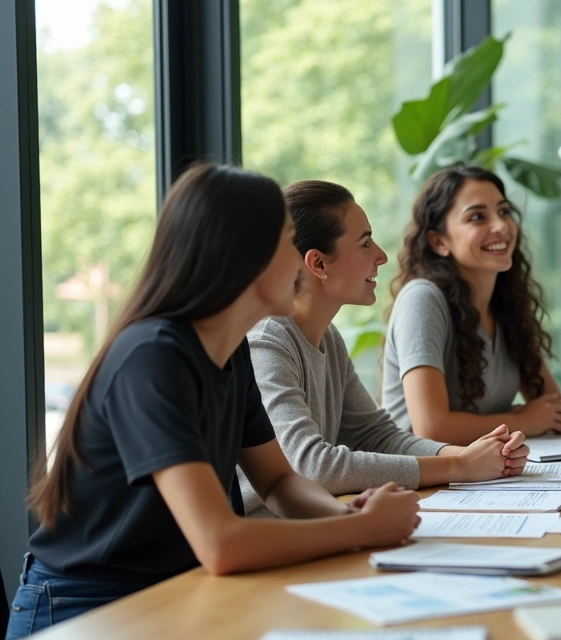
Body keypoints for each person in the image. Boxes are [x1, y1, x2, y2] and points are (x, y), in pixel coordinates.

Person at [7, 165, 422, 639]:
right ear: (242, 256)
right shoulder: (153, 357)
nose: (300, 263)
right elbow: (219, 542)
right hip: (89, 607)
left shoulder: (230, 350)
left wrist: (346, 516)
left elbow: (280, 480)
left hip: (175, 590)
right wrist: (362, 531)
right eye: (287, 244)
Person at [238, 180, 528, 517]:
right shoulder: (266, 343)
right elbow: (313, 466)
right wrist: (458, 466)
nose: (381, 255)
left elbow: (375, 435)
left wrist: (475, 455)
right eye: (365, 244)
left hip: (308, 531)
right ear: (318, 264)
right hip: (265, 543)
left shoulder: (327, 337)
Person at [381, 166, 561, 446]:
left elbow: (553, 412)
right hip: (418, 482)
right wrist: (522, 420)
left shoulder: (506, 306)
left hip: (481, 479)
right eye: (477, 217)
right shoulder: (422, 299)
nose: (501, 226)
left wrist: (528, 418)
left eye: (504, 212)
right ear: (438, 241)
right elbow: (431, 428)